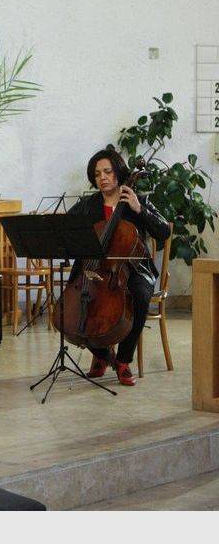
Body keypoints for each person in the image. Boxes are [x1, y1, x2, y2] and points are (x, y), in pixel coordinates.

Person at [67, 148, 171, 386]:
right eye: (97, 174)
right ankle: (102, 354)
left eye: (107, 171)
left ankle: (123, 360)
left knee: (140, 296)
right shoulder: (88, 204)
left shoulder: (137, 199)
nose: (102, 177)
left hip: (133, 269)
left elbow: (163, 232)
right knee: (74, 305)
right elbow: (67, 228)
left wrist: (139, 209)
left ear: (118, 173)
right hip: (93, 268)